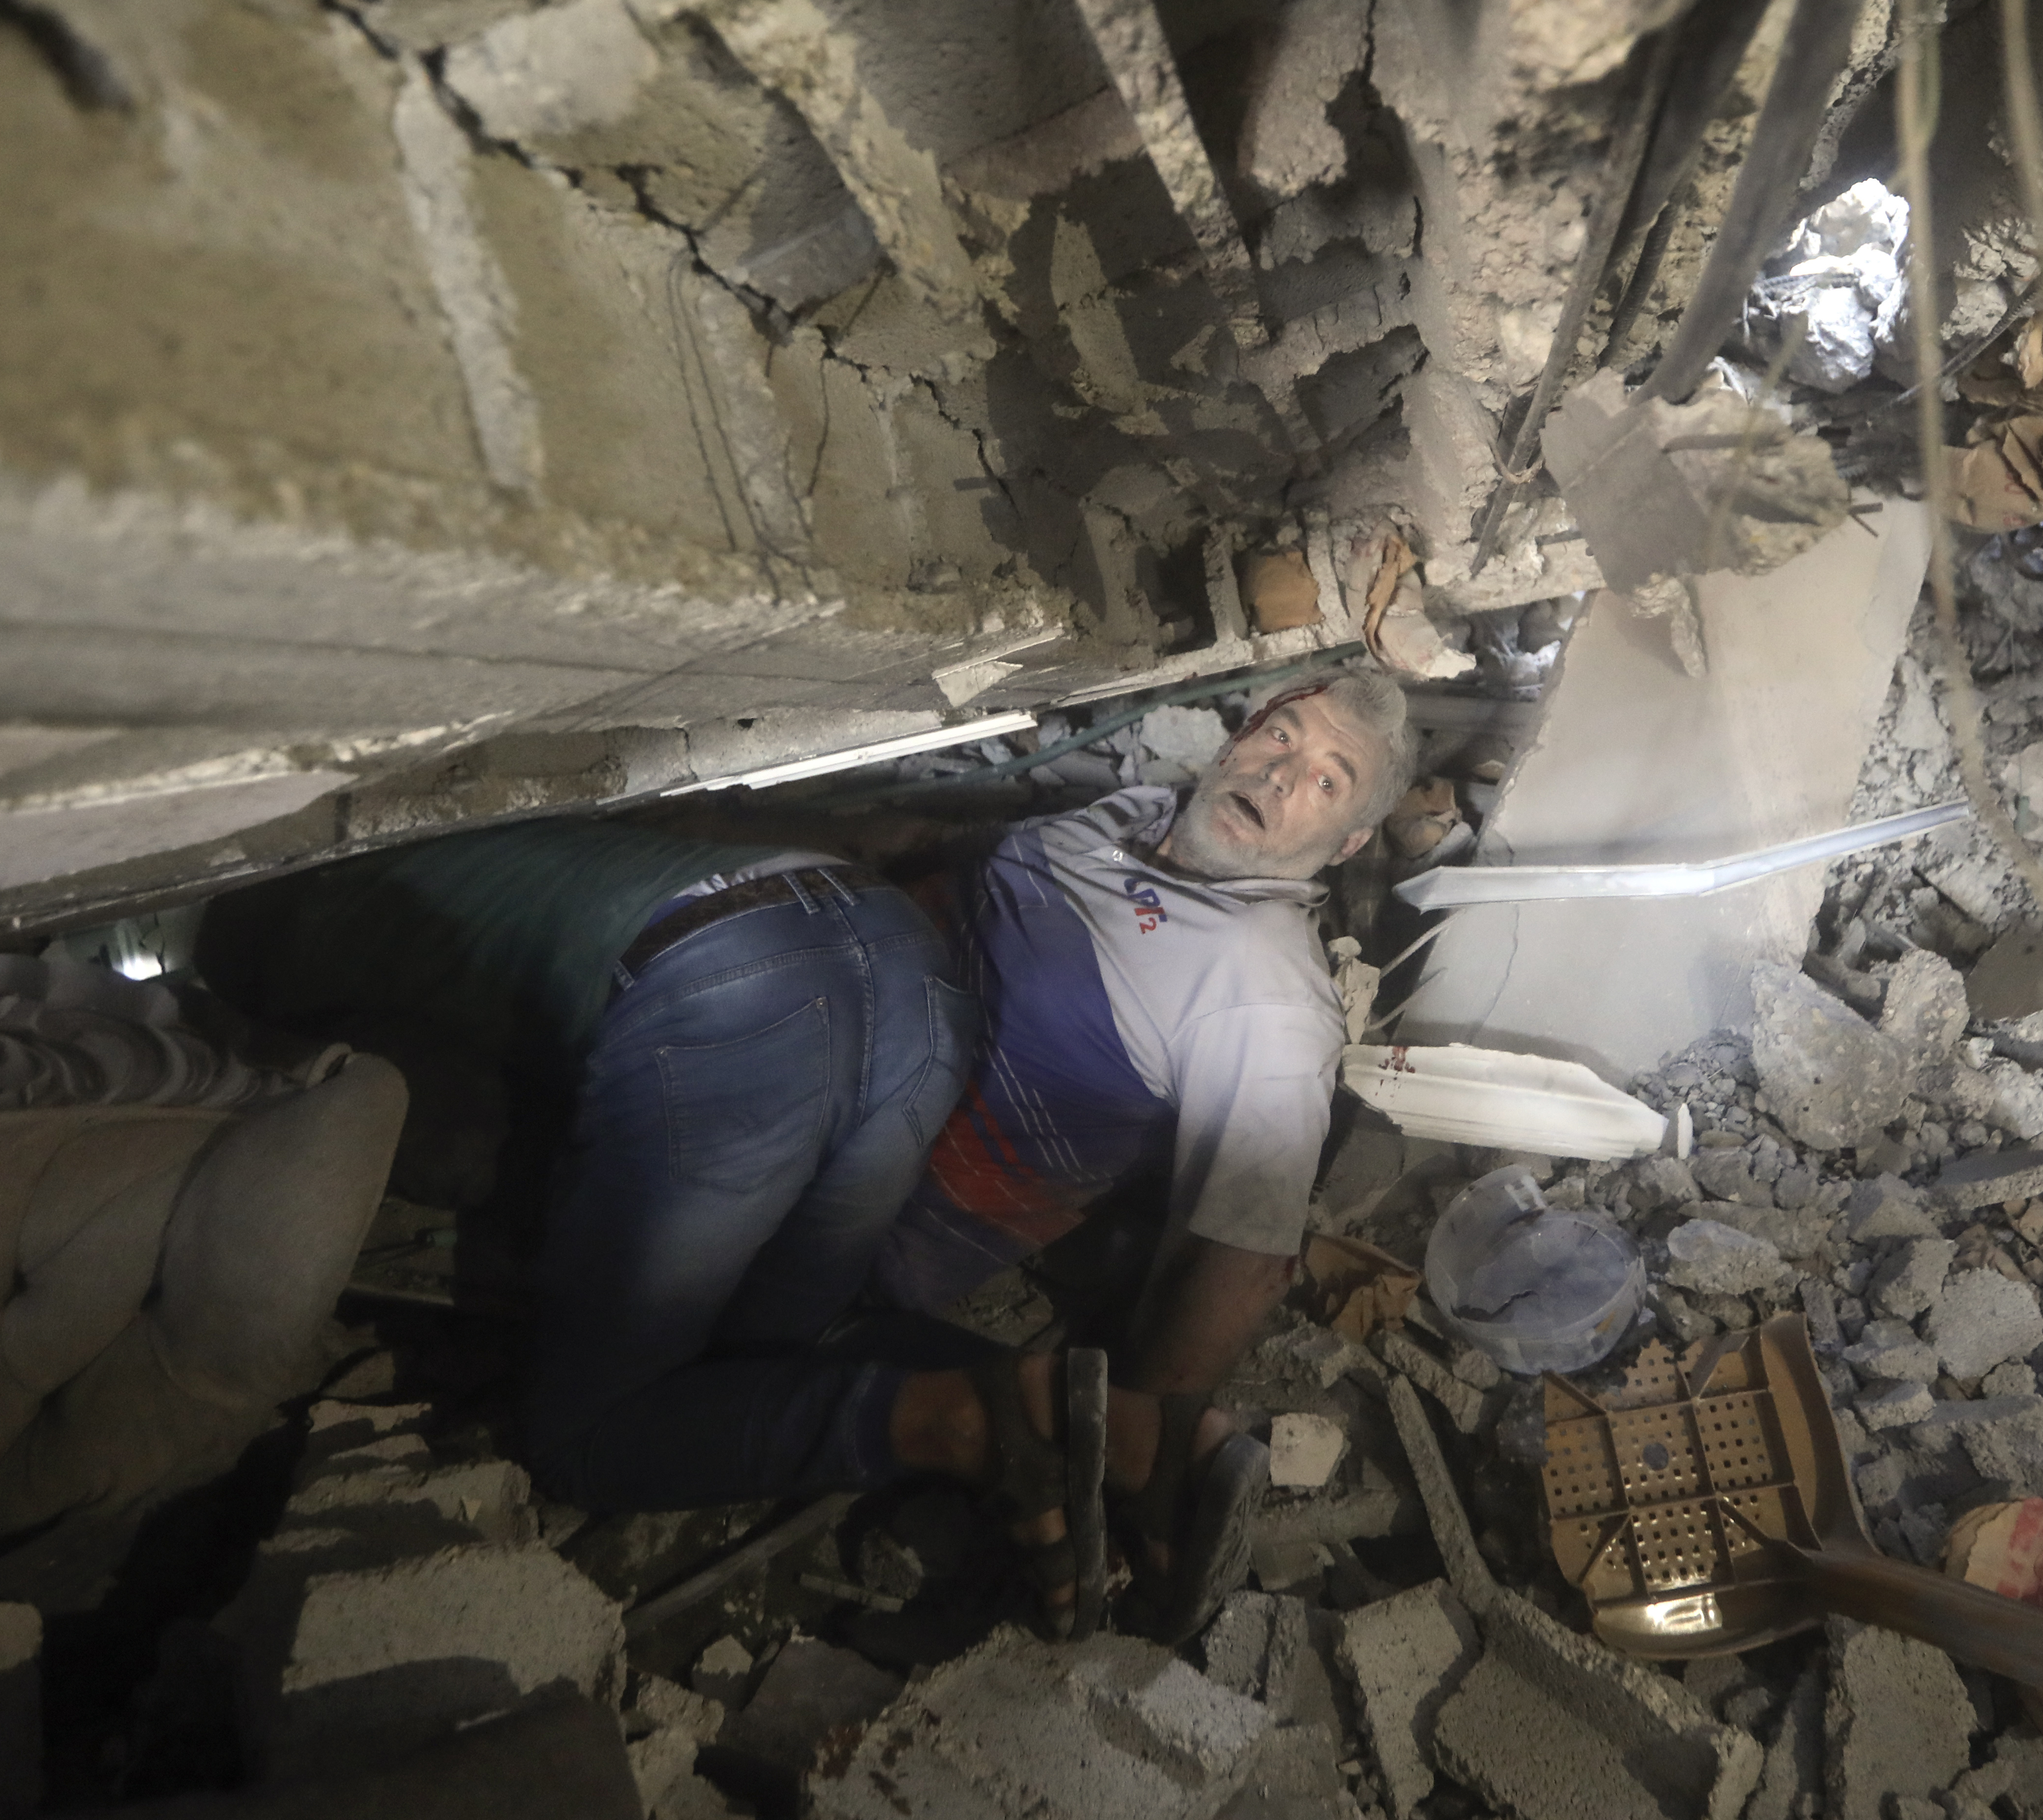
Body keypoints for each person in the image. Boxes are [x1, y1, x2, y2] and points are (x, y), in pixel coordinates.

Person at [198, 665, 1416, 1635]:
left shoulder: (1264, 997)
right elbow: (946, 850)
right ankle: (1003, 1411)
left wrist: (1150, 1429)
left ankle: (1008, 1427)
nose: (1280, 771)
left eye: (1326, 778)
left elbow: (1246, 1252)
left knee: (584, 1413)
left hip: (811, 1078)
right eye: (1281, 734)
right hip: (888, 1016)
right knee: (549, 1210)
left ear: (1348, 840)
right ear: (1243, 726)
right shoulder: (1135, 818)